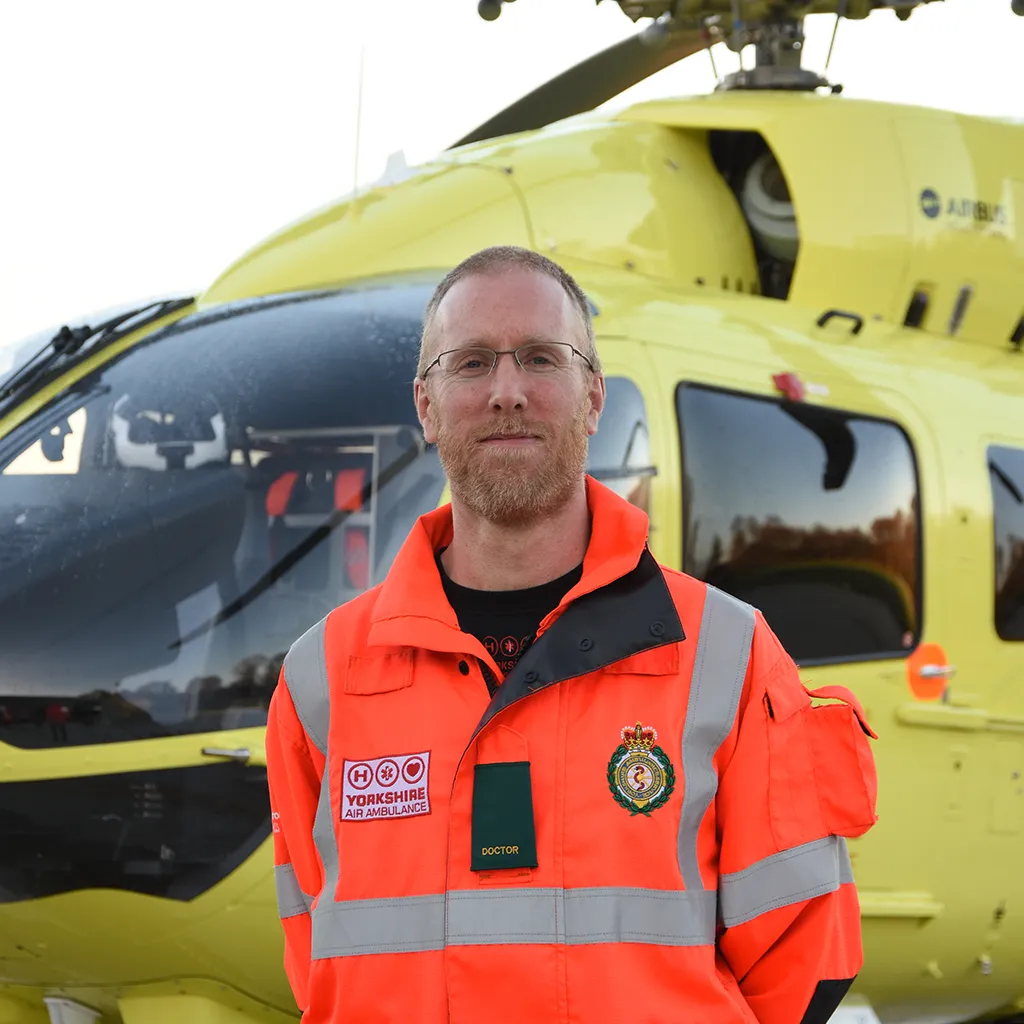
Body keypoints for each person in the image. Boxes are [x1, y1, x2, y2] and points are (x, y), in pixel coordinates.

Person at [265, 245, 879, 1024]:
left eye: (541, 359)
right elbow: (316, 957)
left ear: (593, 398)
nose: (508, 392)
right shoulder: (321, 677)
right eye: (473, 363)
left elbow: (804, 961)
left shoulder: (729, 654)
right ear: (425, 404)